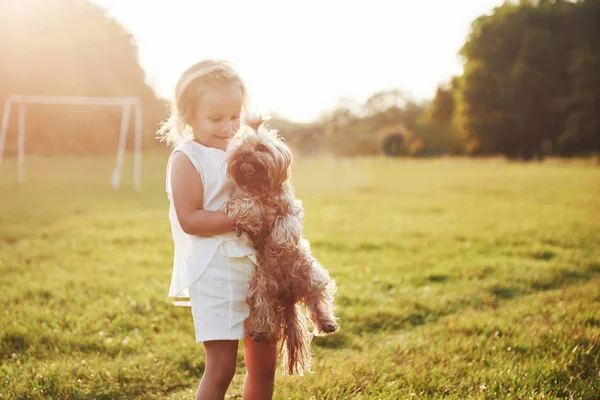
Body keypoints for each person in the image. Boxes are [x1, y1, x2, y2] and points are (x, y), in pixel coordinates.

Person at [158, 60, 277, 400]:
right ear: (187, 116)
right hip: (215, 271)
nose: (228, 127)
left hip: (258, 268)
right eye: (216, 118)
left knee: (264, 364)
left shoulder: (245, 149)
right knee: (222, 368)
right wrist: (243, 216)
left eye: (234, 116)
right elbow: (190, 219)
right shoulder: (187, 158)